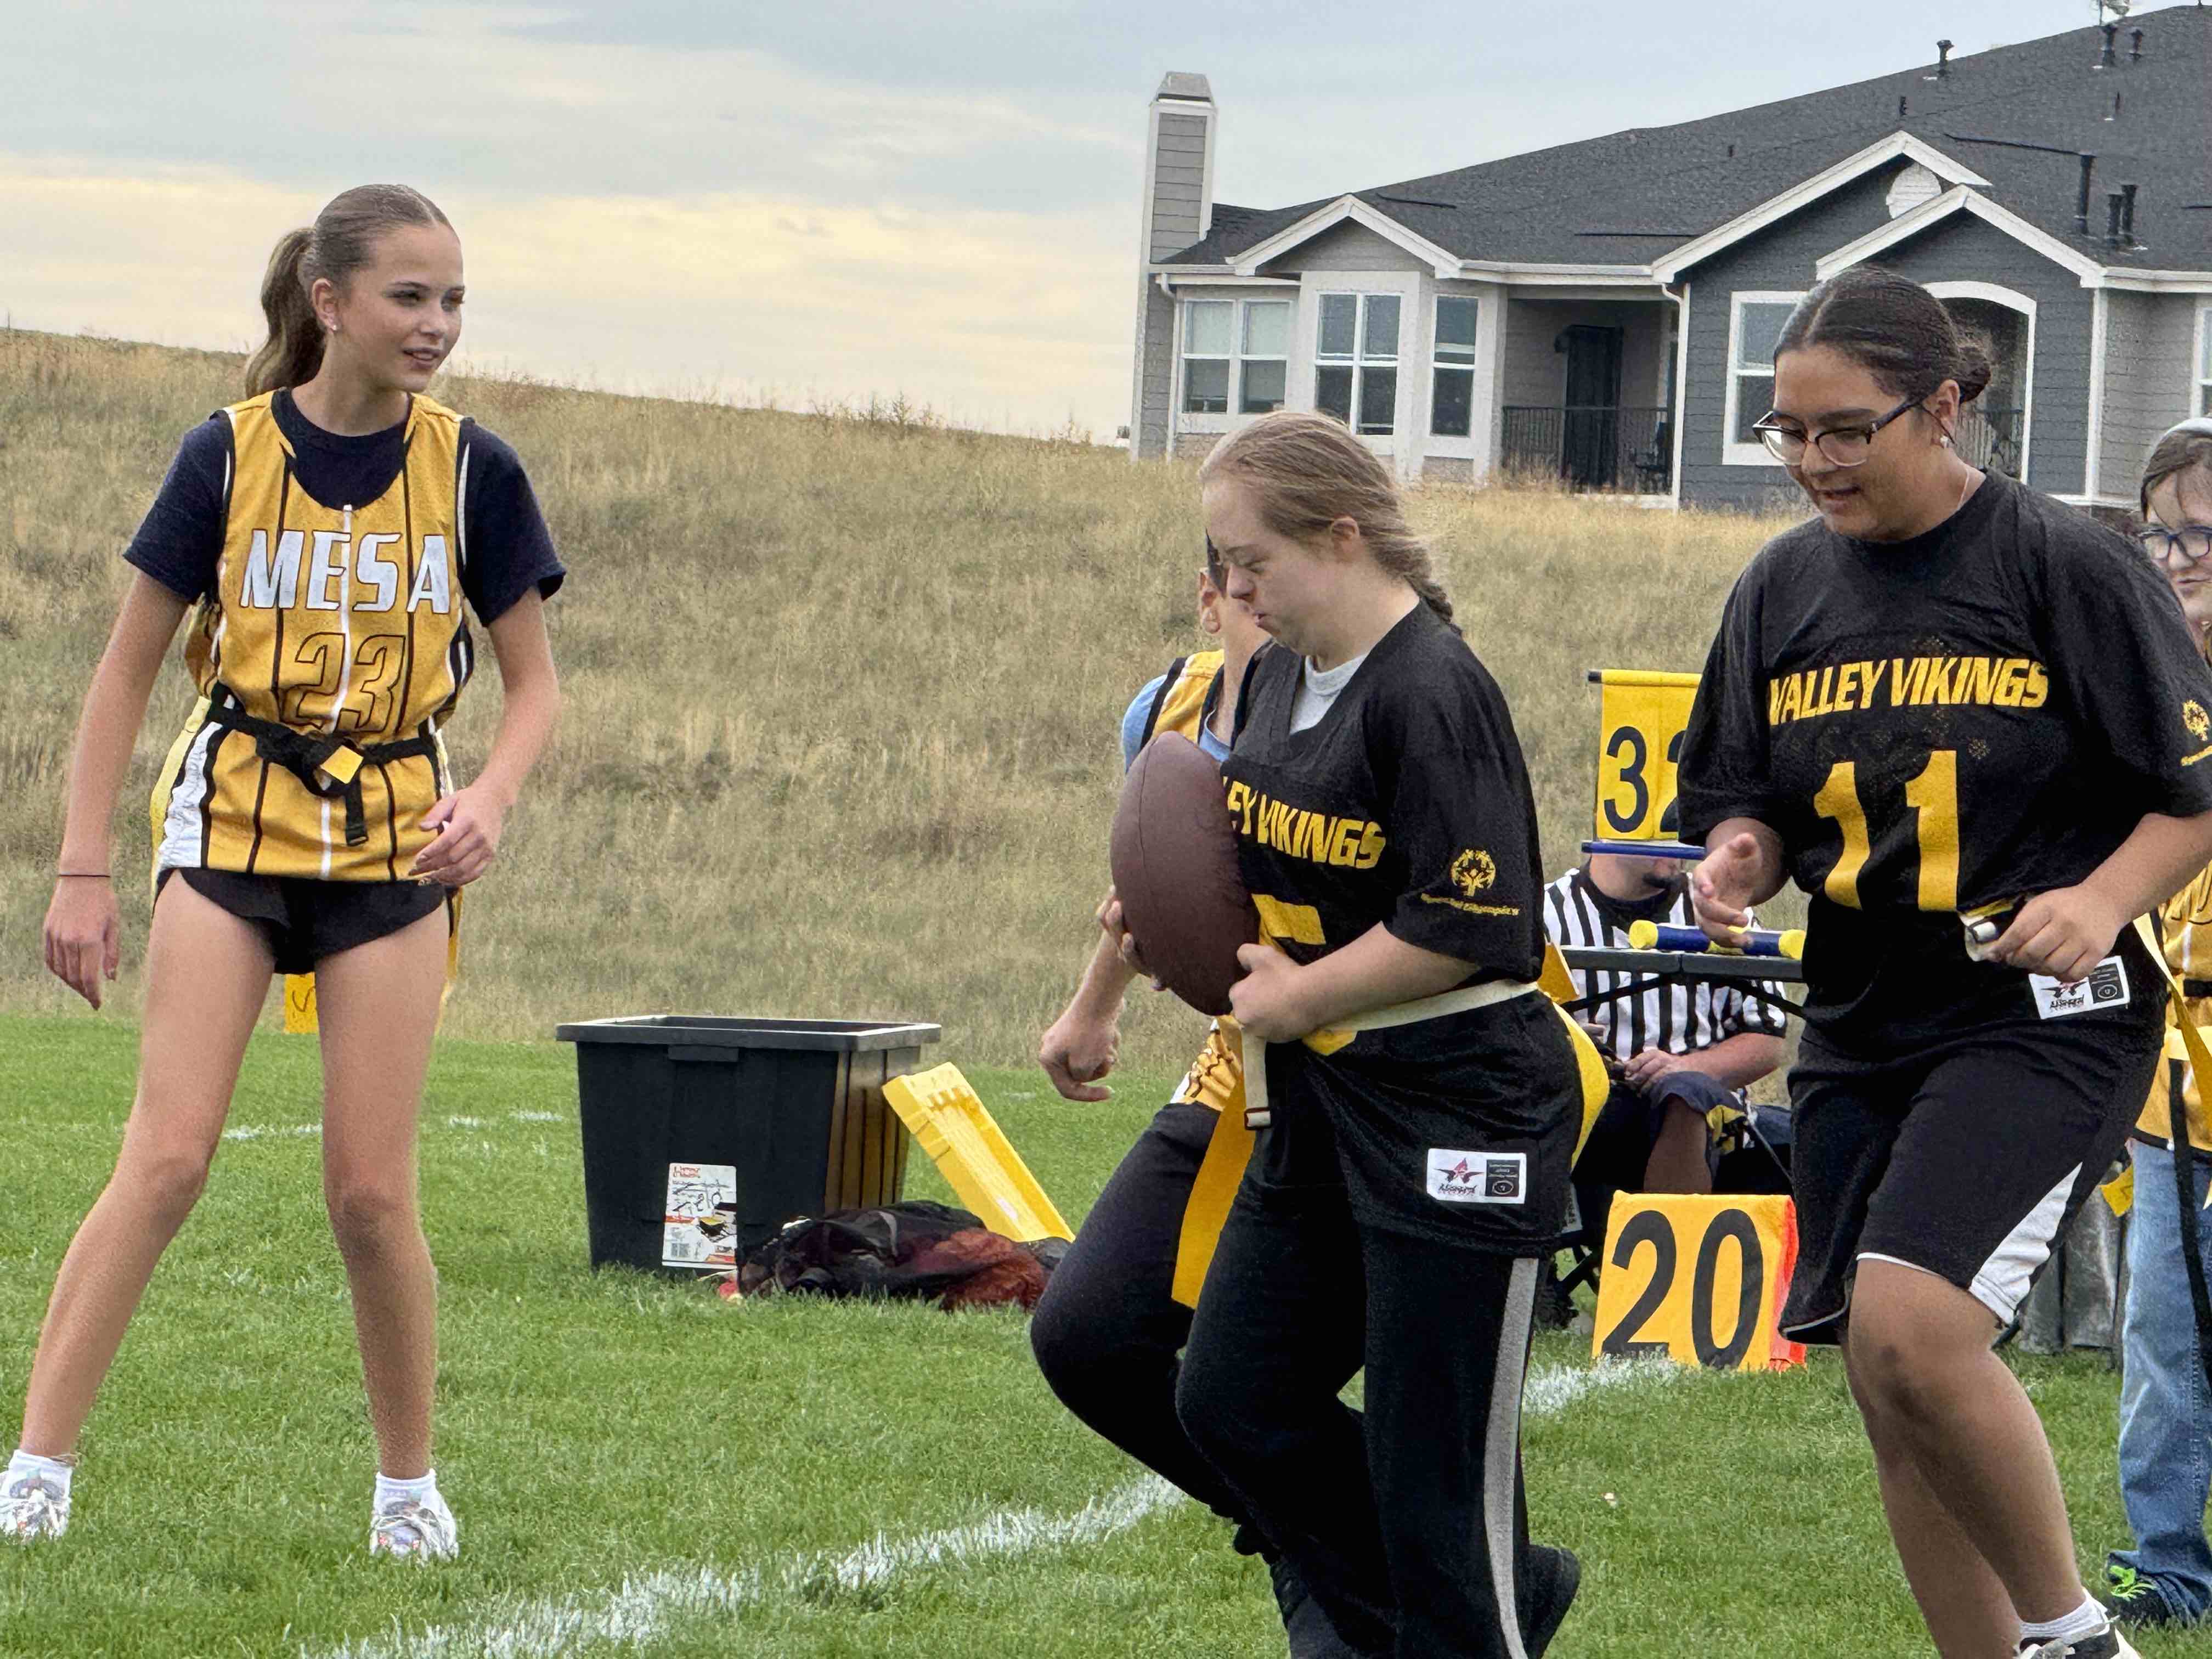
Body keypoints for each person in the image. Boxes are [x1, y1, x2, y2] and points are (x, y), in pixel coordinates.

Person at [8, 184, 565, 1560]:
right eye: (409, 299)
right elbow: (126, 671)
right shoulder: (228, 454)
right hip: (235, 833)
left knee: (371, 1194)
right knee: (169, 1158)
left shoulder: (475, 470)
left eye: (453, 302)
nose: (436, 326)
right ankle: (36, 1471)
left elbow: (536, 683)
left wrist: (491, 792)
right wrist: (82, 872)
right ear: (330, 304)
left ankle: (406, 1492)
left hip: (391, 844)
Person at [1678, 265, 2212, 1659]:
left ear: (1949, 406)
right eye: (1787, 432)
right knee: (1881, 1372)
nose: (1813, 462)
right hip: (1862, 1016)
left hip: (2040, 1013)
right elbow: (1746, 796)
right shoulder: (1782, 584)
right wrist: (1741, 854)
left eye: (1847, 429)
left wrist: (2099, 901)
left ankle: (2077, 1636)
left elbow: (2192, 794)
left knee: (1917, 1328)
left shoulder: (2065, 566)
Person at [1157, 409, 1598, 1659]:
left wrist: (1302, 997)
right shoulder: (1280, 673)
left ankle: (1474, 1613)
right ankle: (1435, 1609)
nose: (1233, 588)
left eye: (1254, 562)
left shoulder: (1434, 689)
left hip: (1462, 1107)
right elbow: (1249, 852)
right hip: (1325, 1102)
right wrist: (1160, 911)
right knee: (1232, 1400)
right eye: (1222, 561)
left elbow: (1476, 920)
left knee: (1435, 1483)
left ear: (1342, 537)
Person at [1032, 544, 1356, 1657]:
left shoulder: (1376, 698)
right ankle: (1314, 1536)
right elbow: (1151, 889)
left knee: (1267, 1371)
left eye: (1282, 586)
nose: (1262, 613)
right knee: (1087, 1333)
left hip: (1388, 1065)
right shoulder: (1163, 714)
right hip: (1244, 1056)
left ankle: (1394, 1566)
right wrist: (1095, 1005)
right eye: (1241, 589)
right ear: (1207, 596)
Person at [2104, 417, 2212, 1629]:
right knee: (2166, 1347)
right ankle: (2170, 1564)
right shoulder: (2138, 692)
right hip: (2168, 1084)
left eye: (2200, 534)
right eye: (2161, 533)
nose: (2177, 558)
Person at [1542, 845, 1788, 1228]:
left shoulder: (1720, 913)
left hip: (1703, 1121)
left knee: (1685, 1092)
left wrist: (1685, 1067)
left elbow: (1768, 1040)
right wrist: (1565, 1039)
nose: (1677, 849)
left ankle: (1673, 1261)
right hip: (1582, 1113)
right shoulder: (1546, 914)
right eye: (1661, 833)